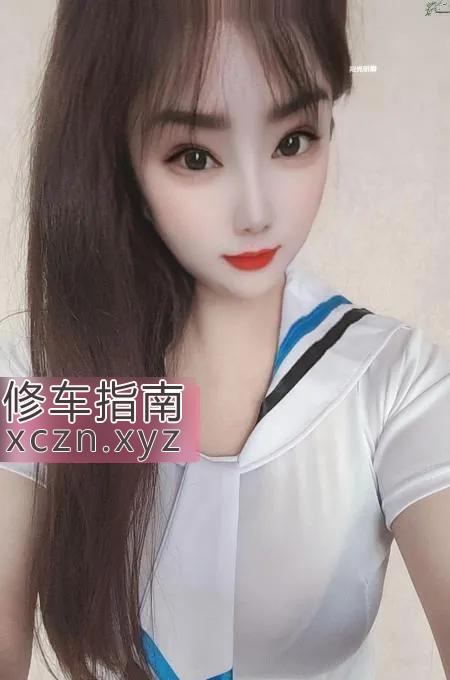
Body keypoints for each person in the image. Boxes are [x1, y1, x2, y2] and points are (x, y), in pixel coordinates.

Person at [0, 1, 449, 679]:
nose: (256, 212)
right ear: (116, 156)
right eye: (196, 156)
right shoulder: (63, 383)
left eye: (293, 141)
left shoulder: (391, 386)